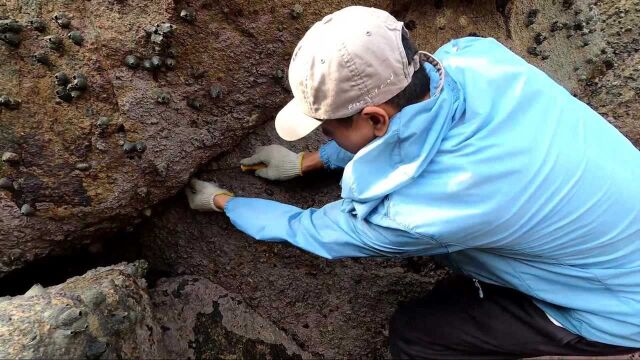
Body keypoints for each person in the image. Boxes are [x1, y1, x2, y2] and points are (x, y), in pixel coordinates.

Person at [185, 6, 640, 358]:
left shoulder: (416, 213)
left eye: (327, 126)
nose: (324, 132)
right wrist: (311, 161)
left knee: (418, 334)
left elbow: (315, 231)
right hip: (613, 220)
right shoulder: (477, 57)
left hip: (620, 309)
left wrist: (225, 201)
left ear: (374, 119)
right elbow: (411, 128)